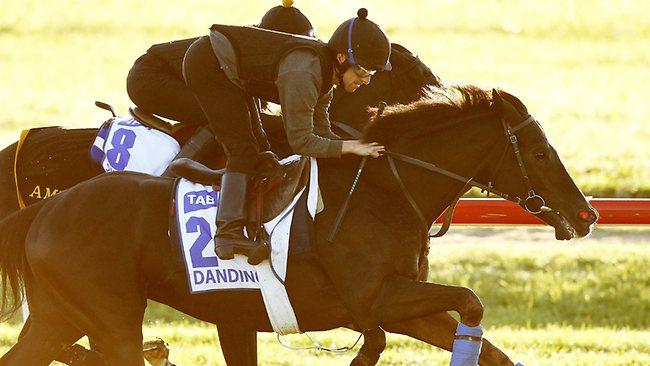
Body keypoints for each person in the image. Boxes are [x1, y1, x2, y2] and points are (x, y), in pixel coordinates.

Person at [182, 8, 390, 264]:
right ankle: (228, 235)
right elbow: (302, 142)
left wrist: (359, 151)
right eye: (363, 72)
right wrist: (352, 147)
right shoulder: (305, 73)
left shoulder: (326, 77)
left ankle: (214, 190)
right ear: (340, 58)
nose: (366, 81)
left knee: (263, 150)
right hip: (210, 64)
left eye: (371, 74)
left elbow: (322, 133)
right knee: (244, 150)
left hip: (232, 69)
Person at [125, 0, 317, 161]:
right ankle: (172, 176)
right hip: (149, 78)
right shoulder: (249, 54)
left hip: (160, 73)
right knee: (228, 117)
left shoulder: (256, 50)